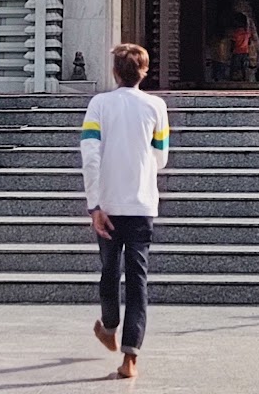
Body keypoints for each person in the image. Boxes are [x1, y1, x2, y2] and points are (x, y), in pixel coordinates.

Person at [81, 43, 170, 380]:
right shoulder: (156, 107)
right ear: (144, 73)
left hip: (108, 204)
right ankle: (130, 356)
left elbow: (90, 156)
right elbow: (161, 157)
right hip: (142, 203)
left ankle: (109, 325)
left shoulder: (99, 105)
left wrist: (94, 205)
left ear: (115, 72)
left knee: (108, 269)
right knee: (137, 278)